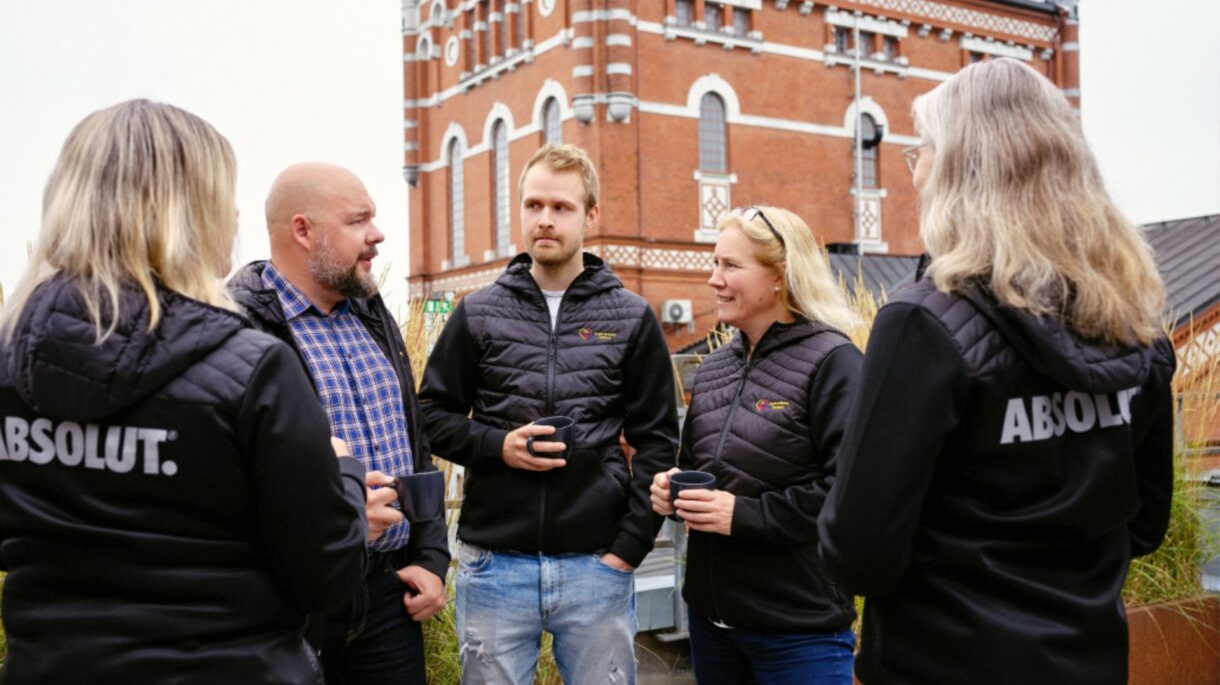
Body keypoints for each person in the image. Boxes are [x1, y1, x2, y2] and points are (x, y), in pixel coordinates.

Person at [817, 58, 1176, 685]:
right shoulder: (1135, 321)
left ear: (962, 167)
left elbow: (859, 553)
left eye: (922, 150)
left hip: (942, 662)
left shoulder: (923, 323)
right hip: (1088, 659)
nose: (915, 171)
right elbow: (1144, 524)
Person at [0, 100, 369, 684]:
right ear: (195, 210)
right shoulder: (252, 369)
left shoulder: (11, 363)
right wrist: (344, 476)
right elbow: (325, 574)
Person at [419, 143, 680, 684]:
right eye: (533, 205)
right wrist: (498, 446)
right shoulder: (477, 312)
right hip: (495, 566)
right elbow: (431, 415)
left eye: (561, 207)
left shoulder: (631, 318)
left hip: (595, 567)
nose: (545, 219)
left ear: (590, 216)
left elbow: (657, 441)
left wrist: (627, 550)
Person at [228, 162, 450, 684]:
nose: (377, 235)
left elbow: (413, 442)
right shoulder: (240, 325)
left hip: (390, 599)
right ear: (302, 231)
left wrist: (433, 556)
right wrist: (343, 522)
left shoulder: (372, 309)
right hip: (295, 607)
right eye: (358, 221)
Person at [649, 206, 862, 684]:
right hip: (713, 626)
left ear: (779, 278)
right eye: (714, 263)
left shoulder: (835, 362)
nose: (713, 279)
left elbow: (851, 494)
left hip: (798, 633)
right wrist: (668, 491)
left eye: (730, 266)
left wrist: (743, 515)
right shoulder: (713, 369)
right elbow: (694, 466)